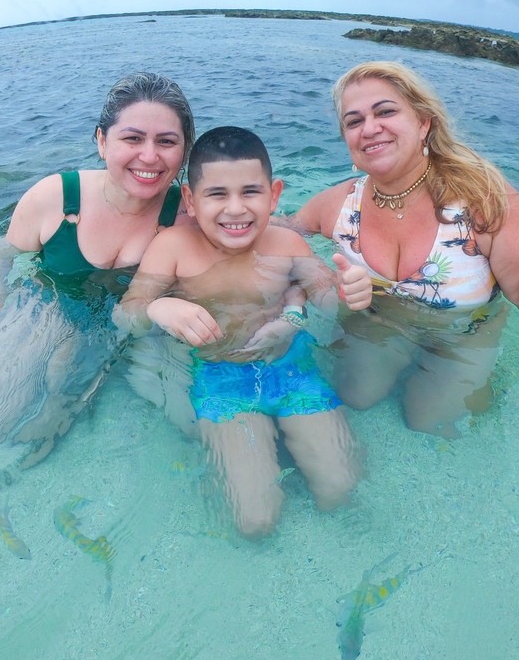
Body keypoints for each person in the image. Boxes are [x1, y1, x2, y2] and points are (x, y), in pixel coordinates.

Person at [292, 61, 519, 437]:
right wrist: (317, 277)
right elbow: (279, 232)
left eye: (386, 112)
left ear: (423, 123)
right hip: (383, 322)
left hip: (463, 333)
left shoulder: (483, 201)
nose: (369, 128)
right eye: (353, 121)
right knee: (356, 396)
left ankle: (479, 385)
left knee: (426, 420)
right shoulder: (339, 204)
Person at [115, 126, 372, 538]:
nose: (235, 209)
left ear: (274, 194)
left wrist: (351, 293)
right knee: (254, 521)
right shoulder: (173, 248)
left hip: (291, 370)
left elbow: (328, 299)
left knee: (341, 488)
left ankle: (286, 442)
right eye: (217, 194)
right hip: (220, 380)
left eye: (250, 192)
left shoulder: (288, 244)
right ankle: (253, 454)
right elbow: (126, 315)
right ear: (190, 200)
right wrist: (160, 305)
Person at [0, 72, 197, 469]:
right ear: (102, 141)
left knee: (187, 424)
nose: (150, 156)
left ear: (185, 151)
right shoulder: (54, 198)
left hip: (137, 320)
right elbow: (0, 258)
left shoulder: (186, 216)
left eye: (167, 142)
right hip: (51, 308)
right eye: (132, 138)